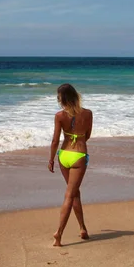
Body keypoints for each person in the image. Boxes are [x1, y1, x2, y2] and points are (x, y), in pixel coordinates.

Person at [48, 83, 93, 246]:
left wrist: (51, 159)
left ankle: (82, 228)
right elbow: (87, 135)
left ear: (61, 99)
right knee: (70, 194)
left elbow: (55, 141)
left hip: (63, 155)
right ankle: (58, 234)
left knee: (74, 192)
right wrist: (78, 142)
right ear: (75, 95)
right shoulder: (87, 114)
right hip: (78, 155)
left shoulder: (59, 115)